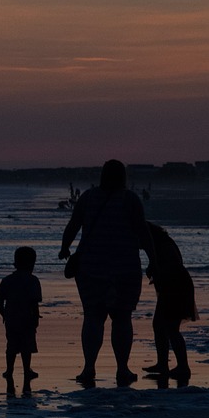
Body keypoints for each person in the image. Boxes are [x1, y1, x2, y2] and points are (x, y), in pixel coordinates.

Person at [58, 160, 156, 386]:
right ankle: (122, 369)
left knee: (93, 317)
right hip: (125, 267)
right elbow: (143, 231)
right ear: (123, 177)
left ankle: (88, 368)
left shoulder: (88, 198)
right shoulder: (130, 200)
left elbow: (73, 225)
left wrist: (65, 248)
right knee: (122, 318)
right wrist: (154, 260)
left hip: (91, 267)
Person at [144, 223, 197, 381]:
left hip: (176, 288)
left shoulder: (163, 245)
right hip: (173, 287)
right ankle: (163, 364)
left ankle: (182, 366)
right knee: (161, 325)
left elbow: (172, 266)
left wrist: (156, 272)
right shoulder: (162, 243)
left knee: (171, 328)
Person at [0, 246, 41, 383]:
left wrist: (3, 313)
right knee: (26, 346)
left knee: (11, 345)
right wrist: (36, 318)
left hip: (11, 318)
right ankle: (26, 370)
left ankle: (9, 370)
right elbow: (34, 302)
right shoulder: (33, 280)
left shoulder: (7, 280)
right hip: (27, 317)